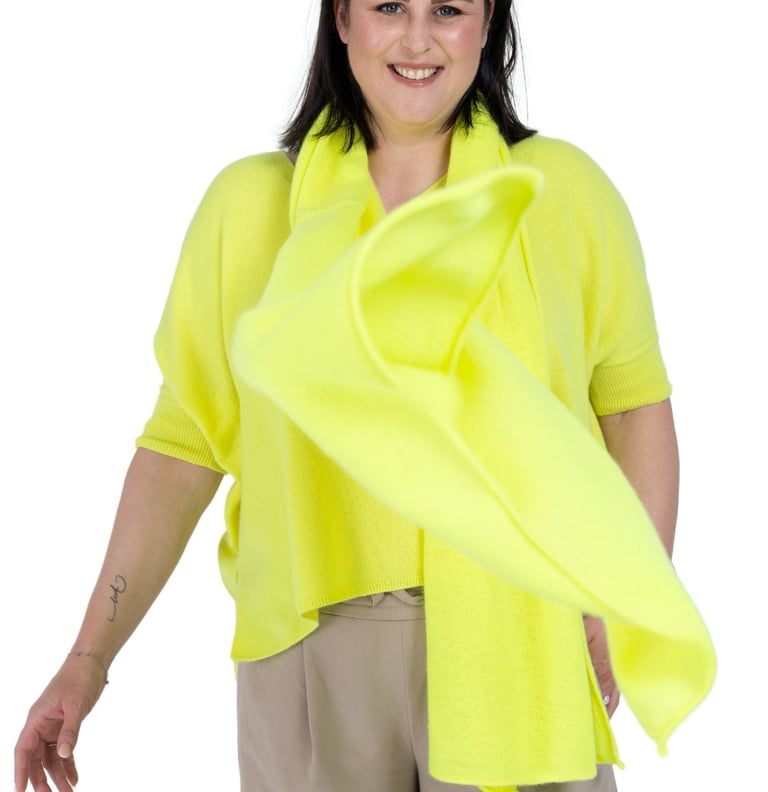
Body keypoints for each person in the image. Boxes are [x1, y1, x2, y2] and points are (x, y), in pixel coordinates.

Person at [14, 1, 715, 791]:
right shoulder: (250, 207)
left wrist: (626, 607)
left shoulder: (559, 193)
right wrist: (87, 660)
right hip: (312, 653)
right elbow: (182, 450)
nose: (418, 38)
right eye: (388, 6)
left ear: (488, 22)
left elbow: (634, 409)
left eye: (447, 9)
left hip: (522, 636)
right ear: (342, 18)